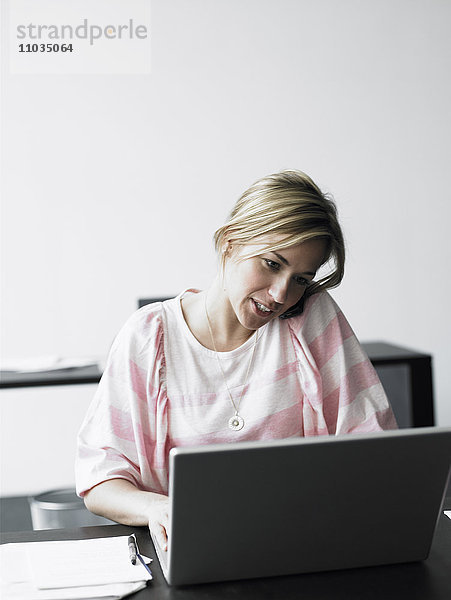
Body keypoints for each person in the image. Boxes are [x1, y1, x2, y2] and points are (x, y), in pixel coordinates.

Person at [75, 170, 397, 551]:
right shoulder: (149, 336)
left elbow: (376, 446)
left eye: (301, 279)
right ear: (230, 242)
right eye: (272, 264)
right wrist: (158, 508)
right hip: (196, 550)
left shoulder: (311, 316)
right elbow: (99, 480)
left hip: (304, 546)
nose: (281, 295)